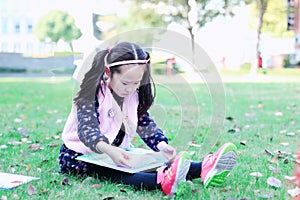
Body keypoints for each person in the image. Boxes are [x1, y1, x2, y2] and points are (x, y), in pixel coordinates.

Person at [58, 41, 238, 196]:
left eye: (136, 83)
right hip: (81, 156)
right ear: (108, 72)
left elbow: (144, 123)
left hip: (116, 152)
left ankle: (203, 168)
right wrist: (109, 150)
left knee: (150, 159)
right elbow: (87, 129)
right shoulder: (91, 93)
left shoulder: (132, 95)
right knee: (117, 171)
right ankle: (161, 182)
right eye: (125, 83)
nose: (130, 89)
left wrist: (161, 145)